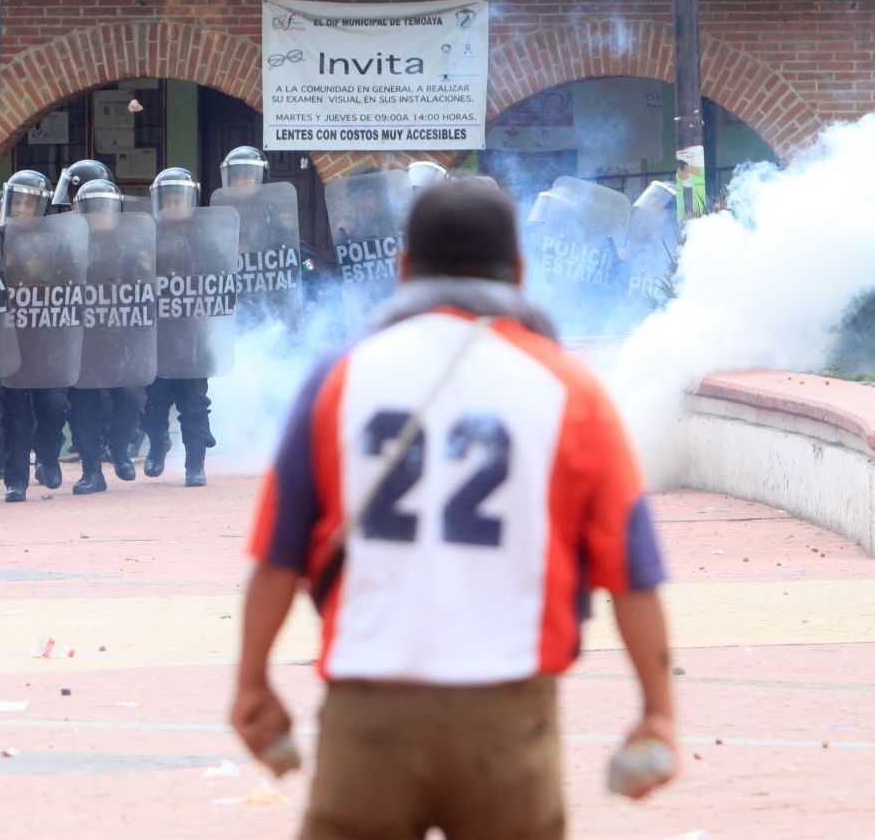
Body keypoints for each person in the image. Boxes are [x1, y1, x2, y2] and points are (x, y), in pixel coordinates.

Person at [233, 178, 676, 840]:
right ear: (521, 273)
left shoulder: (339, 377)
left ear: (403, 268)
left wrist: (252, 683)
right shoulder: (572, 389)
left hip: (368, 710)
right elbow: (632, 573)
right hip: (508, 713)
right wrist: (658, 711)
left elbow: (276, 557)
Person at [0, 169, 68, 502]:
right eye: (18, 201)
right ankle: (16, 479)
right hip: (11, 335)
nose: (22, 208)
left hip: (47, 336)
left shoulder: (55, 240)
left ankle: (49, 458)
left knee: (52, 404)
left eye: (29, 202)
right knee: (15, 412)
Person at [140, 167, 216, 487]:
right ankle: (158, 445)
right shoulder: (145, 238)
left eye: (178, 199)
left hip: (192, 336)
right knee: (154, 402)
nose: (173, 205)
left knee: (194, 403)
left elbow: (221, 278)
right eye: (167, 200)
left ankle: (194, 464)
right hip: (156, 336)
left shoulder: (206, 239)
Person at [66, 180, 142, 496]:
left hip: (121, 337)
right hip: (83, 340)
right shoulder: (69, 246)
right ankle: (91, 470)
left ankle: (120, 446)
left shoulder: (133, 245)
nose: (98, 217)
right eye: (92, 211)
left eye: (104, 210)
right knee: (84, 405)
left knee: (132, 396)